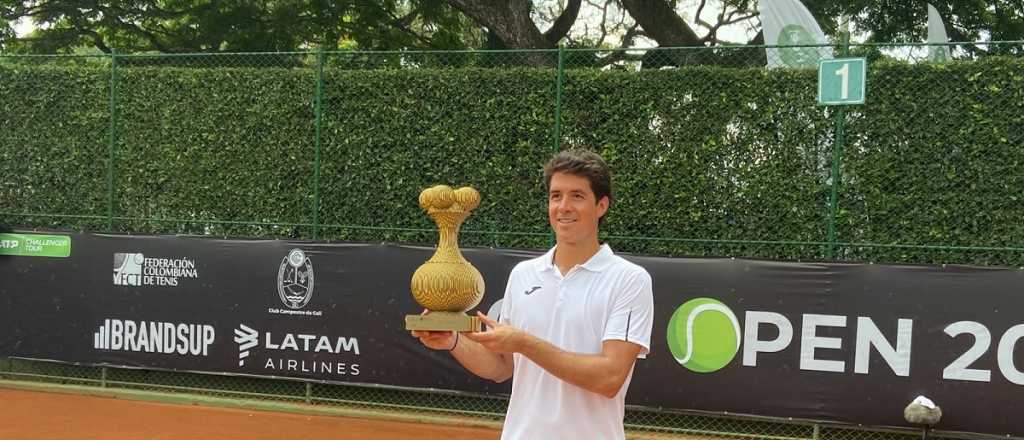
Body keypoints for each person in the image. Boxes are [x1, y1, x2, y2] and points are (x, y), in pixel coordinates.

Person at [412, 149, 654, 439]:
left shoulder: (629, 280)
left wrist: (524, 343)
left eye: (577, 196)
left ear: (601, 205)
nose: (563, 207)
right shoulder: (523, 274)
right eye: (556, 196)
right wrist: (452, 340)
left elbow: (609, 378)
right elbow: (501, 367)